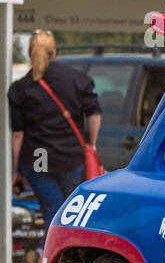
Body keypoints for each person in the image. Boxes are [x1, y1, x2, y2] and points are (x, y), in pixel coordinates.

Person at [8, 31, 101, 224]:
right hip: (71, 157)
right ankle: (59, 250)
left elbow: (17, 135)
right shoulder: (78, 79)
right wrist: (91, 144)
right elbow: (94, 114)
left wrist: (15, 171)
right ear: (54, 52)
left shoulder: (20, 88)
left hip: (37, 160)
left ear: (30, 52)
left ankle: (48, 250)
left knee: (53, 210)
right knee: (73, 212)